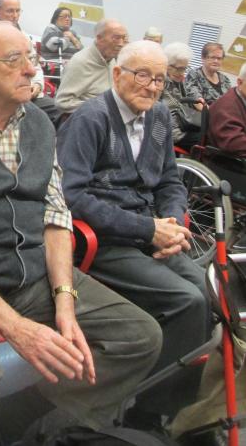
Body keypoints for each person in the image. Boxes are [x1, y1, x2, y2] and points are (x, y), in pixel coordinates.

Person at [0, 21, 162, 446]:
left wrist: (65, 300)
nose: (31, 69)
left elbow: (56, 215)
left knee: (140, 337)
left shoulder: (40, 123)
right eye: (15, 60)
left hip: (34, 273)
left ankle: (24, 418)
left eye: (30, 57)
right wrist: (17, 328)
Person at [57, 40, 211, 423]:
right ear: (117, 74)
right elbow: (71, 196)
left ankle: (174, 406)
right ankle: (148, 413)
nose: (152, 87)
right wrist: (148, 229)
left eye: (159, 79)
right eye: (143, 75)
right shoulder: (90, 119)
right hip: (104, 241)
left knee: (207, 290)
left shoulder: (158, 117)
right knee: (187, 301)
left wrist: (172, 223)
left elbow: (170, 181)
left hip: (148, 232)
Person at [0, 0, 63, 126]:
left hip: (30, 91)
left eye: (18, 11)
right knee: (33, 118)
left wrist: (37, 85)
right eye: (10, 11)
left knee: (60, 111)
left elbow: (35, 65)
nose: (15, 15)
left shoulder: (24, 37)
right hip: (6, 94)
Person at [55, 18, 128, 114]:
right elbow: (62, 102)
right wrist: (102, 107)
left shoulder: (111, 60)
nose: (121, 44)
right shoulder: (80, 62)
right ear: (99, 38)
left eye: (124, 38)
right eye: (116, 38)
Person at [162, 42, 203, 152]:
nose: (182, 73)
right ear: (166, 65)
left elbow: (189, 96)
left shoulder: (179, 80)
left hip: (185, 126)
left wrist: (197, 102)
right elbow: (172, 109)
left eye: (185, 68)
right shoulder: (161, 82)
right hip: (173, 132)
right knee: (206, 143)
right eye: (179, 69)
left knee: (211, 135)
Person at [208, 61, 246, 156]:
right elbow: (234, 143)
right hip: (227, 161)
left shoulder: (241, 97)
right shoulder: (227, 106)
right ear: (239, 82)